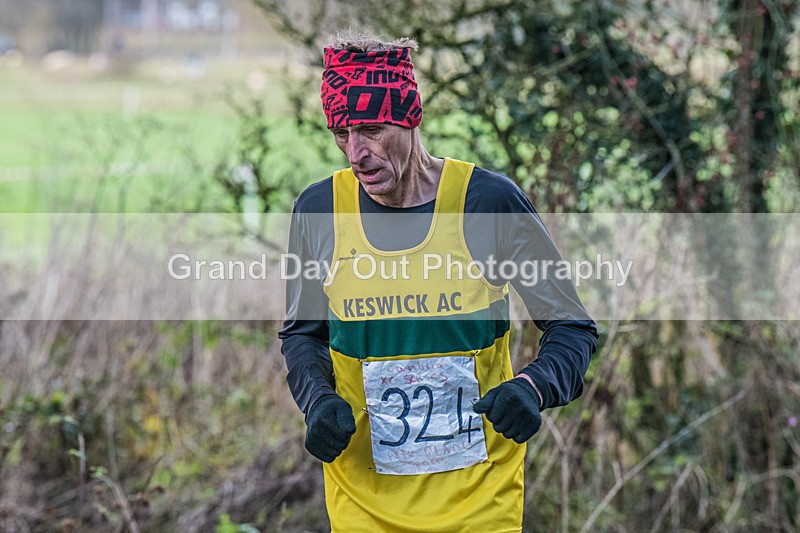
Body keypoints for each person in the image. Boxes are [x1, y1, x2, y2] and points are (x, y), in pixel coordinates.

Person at [279, 28, 598, 532]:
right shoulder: (319, 210)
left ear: (410, 116)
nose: (356, 152)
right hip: (363, 500)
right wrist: (317, 399)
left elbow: (572, 326)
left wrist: (533, 387)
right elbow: (302, 335)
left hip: (479, 500)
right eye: (341, 134)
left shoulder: (486, 203)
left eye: (371, 129)